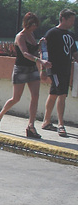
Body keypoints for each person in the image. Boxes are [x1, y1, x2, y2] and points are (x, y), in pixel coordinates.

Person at [0, 12, 51, 138]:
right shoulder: (21, 36)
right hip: (21, 69)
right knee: (16, 98)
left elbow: (33, 50)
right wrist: (40, 61)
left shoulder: (31, 34)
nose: (35, 27)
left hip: (32, 68)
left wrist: (40, 45)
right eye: (33, 25)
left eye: (36, 25)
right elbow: (25, 53)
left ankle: (31, 126)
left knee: (35, 96)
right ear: (27, 24)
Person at [40, 8, 78, 137]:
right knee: (62, 94)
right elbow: (43, 50)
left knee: (54, 93)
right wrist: (43, 70)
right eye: (71, 20)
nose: (73, 23)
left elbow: (74, 52)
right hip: (55, 69)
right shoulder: (52, 33)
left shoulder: (71, 35)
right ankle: (61, 124)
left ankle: (46, 121)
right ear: (63, 19)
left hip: (66, 69)